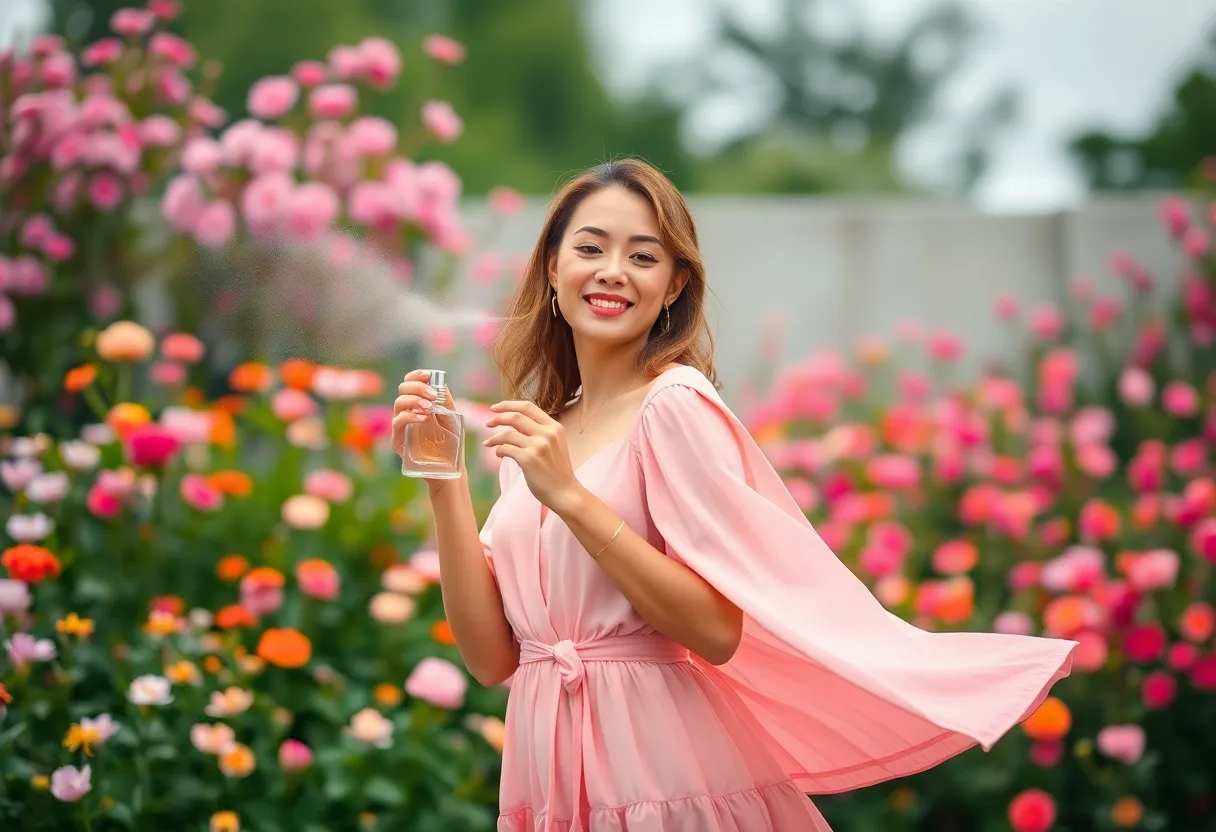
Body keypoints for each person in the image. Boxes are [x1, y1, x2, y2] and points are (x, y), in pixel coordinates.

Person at [390, 158, 1077, 832]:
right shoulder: (539, 438)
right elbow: (492, 660)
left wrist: (570, 497)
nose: (612, 271)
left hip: (656, 777)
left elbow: (716, 631)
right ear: (552, 267)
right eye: (590, 248)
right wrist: (444, 483)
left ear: (673, 285)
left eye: (643, 256)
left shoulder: (673, 406)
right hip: (547, 779)